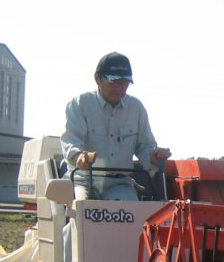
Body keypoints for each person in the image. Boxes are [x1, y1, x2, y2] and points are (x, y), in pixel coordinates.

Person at [61, 52, 171, 200]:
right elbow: (70, 141)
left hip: (120, 185)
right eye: (114, 81)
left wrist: (153, 155)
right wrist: (79, 156)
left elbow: (144, 146)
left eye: (125, 82)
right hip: (84, 181)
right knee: (84, 213)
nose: (120, 87)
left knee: (130, 216)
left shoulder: (136, 108)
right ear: (98, 79)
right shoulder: (80, 104)